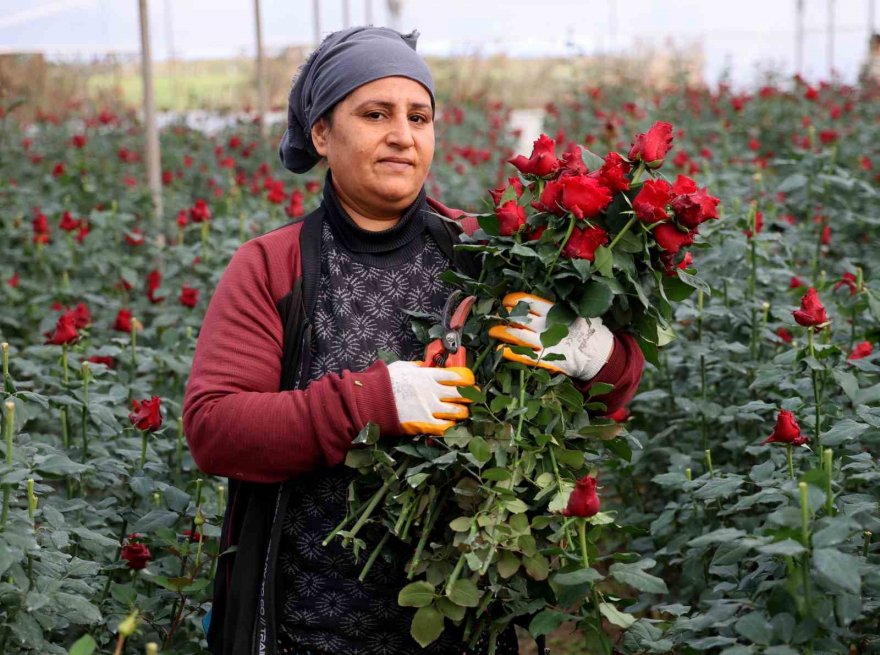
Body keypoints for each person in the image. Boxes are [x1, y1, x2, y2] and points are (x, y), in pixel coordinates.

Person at [183, 25, 644, 655]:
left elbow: (607, 399)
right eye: (375, 114)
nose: (402, 134)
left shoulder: (489, 259)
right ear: (323, 133)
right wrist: (370, 403)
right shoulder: (271, 266)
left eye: (418, 116)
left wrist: (595, 356)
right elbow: (215, 428)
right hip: (307, 629)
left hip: (463, 628)